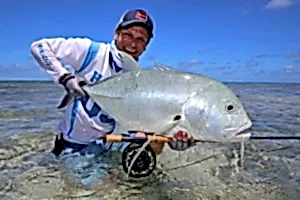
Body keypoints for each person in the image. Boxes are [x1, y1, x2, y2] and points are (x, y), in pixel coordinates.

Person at [30, 9, 195, 159]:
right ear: (116, 33)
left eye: (140, 40)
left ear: (146, 45)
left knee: (152, 150)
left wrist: (174, 139)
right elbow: (39, 47)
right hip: (76, 146)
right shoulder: (91, 53)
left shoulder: (140, 80)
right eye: (128, 35)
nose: (132, 44)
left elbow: (155, 144)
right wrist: (65, 78)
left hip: (112, 143)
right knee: (101, 190)